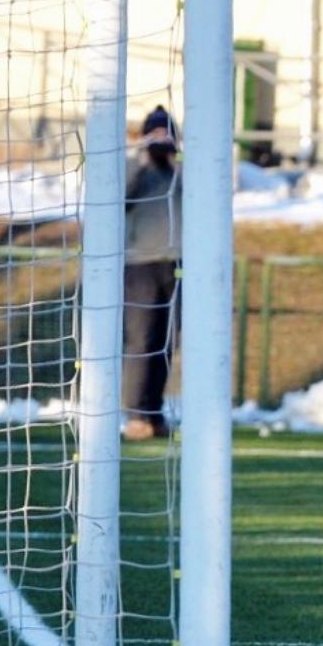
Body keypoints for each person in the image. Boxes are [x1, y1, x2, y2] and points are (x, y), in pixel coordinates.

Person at [121, 105, 182, 441]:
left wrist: (178, 156)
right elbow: (121, 196)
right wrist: (143, 156)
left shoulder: (180, 172)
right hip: (140, 266)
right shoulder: (136, 169)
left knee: (166, 341)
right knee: (141, 341)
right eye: (154, 134)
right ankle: (136, 414)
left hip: (176, 265)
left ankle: (155, 412)